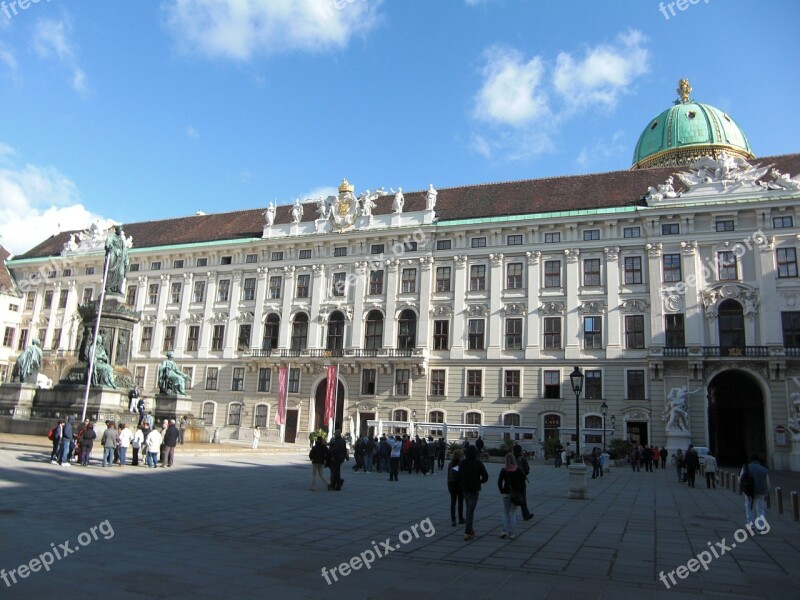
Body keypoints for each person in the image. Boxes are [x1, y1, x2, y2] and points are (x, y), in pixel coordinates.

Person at [459, 445, 489, 541]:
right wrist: (479, 481)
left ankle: (469, 530)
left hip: (465, 488)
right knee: (470, 510)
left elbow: (459, 474)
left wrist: (462, 482)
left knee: (468, 508)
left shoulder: (463, 463)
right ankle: (468, 531)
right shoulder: (478, 463)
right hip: (474, 488)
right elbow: (485, 476)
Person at [498, 453, 526, 540]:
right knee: (513, 513)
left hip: (506, 492)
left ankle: (504, 530)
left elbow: (499, 482)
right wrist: (521, 493)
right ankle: (511, 533)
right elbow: (523, 484)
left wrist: (502, 490)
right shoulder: (519, 470)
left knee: (506, 512)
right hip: (515, 493)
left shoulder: (504, 469)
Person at [740, 455, 770, 525]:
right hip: (760, 492)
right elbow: (767, 483)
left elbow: (741, 478)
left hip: (749, 491)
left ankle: (750, 524)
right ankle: (760, 526)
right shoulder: (764, 469)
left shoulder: (746, 467)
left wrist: (743, 488)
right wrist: (767, 492)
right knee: (760, 509)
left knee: (748, 508)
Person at [104, 225, 129, 295]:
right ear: (116, 230)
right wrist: (108, 248)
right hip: (114, 257)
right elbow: (107, 244)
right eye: (119, 230)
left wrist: (126, 259)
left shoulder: (122, 240)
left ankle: (118, 288)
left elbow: (125, 250)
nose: (120, 231)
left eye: (121, 230)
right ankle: (109, 287)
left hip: (120, 259)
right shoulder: (111, 237)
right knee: (111, 272)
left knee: (121, 274)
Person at [512, 444, 534, 521]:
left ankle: (509, 514)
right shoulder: (523, 458)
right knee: (523, 498)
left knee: (510, 497)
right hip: (521, 481)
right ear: (520, 450)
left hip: (511, 481)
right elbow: (527, 470)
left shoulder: (510, 458)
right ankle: (526, 515)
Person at [447, 449, 465, 527]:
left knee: (453, 501)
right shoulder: (461, 464)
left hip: (451, 483)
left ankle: (453, 520)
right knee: (460, 501)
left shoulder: (450, 463)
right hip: (458, 483)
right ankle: (460, 518)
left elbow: (449, 474)